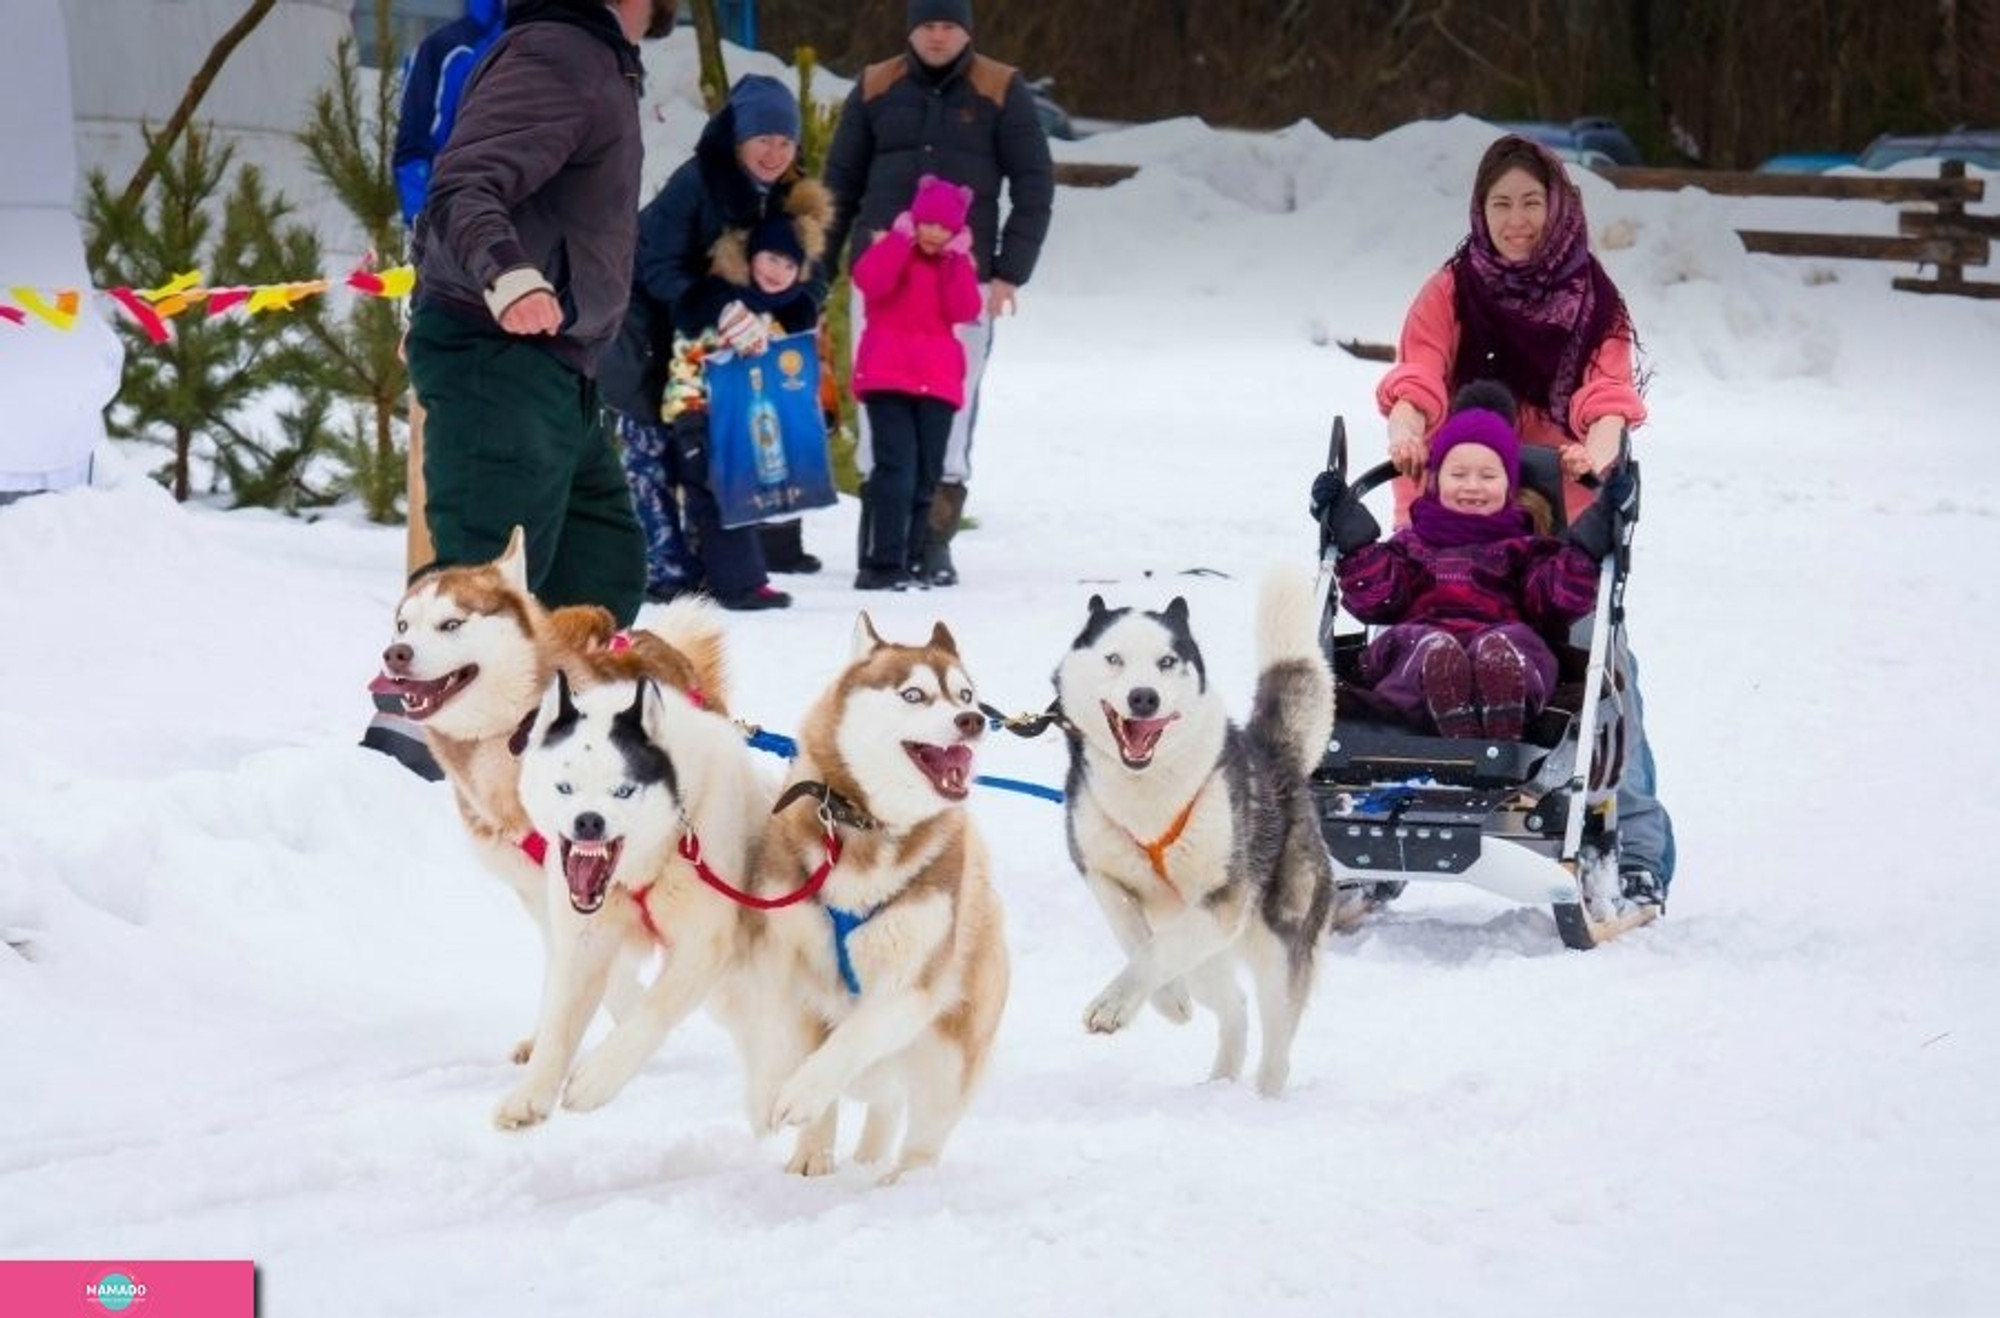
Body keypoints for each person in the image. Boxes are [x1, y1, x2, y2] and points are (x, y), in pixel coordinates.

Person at [1373, 132, 1674, 906]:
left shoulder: (1594, 301)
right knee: (1408, 648)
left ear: (1558, 207)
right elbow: (1419, 370)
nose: (1516, 219)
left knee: (1604, 668)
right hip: (1452, 515)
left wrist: (1600, 451)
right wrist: (1408, 427)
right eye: (1501, 203)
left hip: (1554, 529)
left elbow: (1607, 394)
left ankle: (1634, 842)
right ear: (1480, 210)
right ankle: (1378, 827)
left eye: (1530, 203)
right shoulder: (1451, 288)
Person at [404, 0, 677, 632]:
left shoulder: (597, 60)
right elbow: (464, 183)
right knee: (484, 586)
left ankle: (561, 719)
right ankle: (417, 728)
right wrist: (506, 272)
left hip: (559, 362)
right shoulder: (557, 52)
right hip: (497, 352)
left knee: (598, 573)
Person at [821, 0, 1054, 587]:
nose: (938, 35)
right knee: (880, 415)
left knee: (952, 409)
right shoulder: (876, 84)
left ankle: (933, 542)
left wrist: (1009, 271)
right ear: (911, 29)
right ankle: (881, 544)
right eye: (927, 24)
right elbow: (840, 181)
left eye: (949, 25)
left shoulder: (1002, 88)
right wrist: (820, 268)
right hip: (882, 276)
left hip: (962, 280)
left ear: (967, 31)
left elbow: (1033, 183)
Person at [624, 74, 828, 612]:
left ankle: (716, 568)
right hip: (649, 326)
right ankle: (664, 569)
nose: (773, 152)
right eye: (763, 138)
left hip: (730, 350)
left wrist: (773, 312)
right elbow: (653, 263)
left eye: (785, 141)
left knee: (720, 456)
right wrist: (723, 307)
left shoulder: (790, 193)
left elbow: (811, 274)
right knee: (651, 452)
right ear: (737, 136)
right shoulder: (698, 180)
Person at [1319, 397, 1604, 741]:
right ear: (1437, 481)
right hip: (1421, 641)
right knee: (1419, 645)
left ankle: (1502, 705)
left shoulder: (1526, 549)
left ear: (1509, 486)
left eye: (1487, 475)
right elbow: (1378, 598)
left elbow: (1555, 598)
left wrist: (1587, 548)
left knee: (1522, 643)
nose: (1472, 485)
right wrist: (1355, 541)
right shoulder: (1413, 545)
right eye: (1458, 474)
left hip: (1500, 636)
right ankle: (1447, 696)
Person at [849, 175, 984, 590]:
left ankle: (910, 559)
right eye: (928, 223)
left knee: (926, 476)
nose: (935, 233)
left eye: (945, 228)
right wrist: (897, 242)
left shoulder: (955, 263)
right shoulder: (892, 249)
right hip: (888, 377)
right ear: (915, 220)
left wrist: (958, 261)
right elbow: (870, 281)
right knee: (896, 471)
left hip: (938, 383)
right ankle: (881, 563)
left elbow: (964, 307)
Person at [390, 0, 505, 230]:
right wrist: (424, 222)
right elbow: (413, 147)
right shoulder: (447, 49)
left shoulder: (560, 48)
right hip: (459, 224)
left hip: (549, 235)